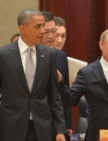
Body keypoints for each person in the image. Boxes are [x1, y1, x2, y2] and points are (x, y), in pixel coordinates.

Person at [0, 8, 66, 141]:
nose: (42, 31)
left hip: (42, 128)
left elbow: (54, 96)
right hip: (10, 128)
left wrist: (60, 129)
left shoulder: (49, 55)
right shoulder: (1, 55)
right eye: (37, 27)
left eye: (43, 26)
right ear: (23, 29)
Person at [41, 11, 72, 140]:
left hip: (55, 124)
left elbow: (64, 97)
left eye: (54, 31)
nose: (54, 37)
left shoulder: (60, 56)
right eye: (48, 32)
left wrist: (67, 124)